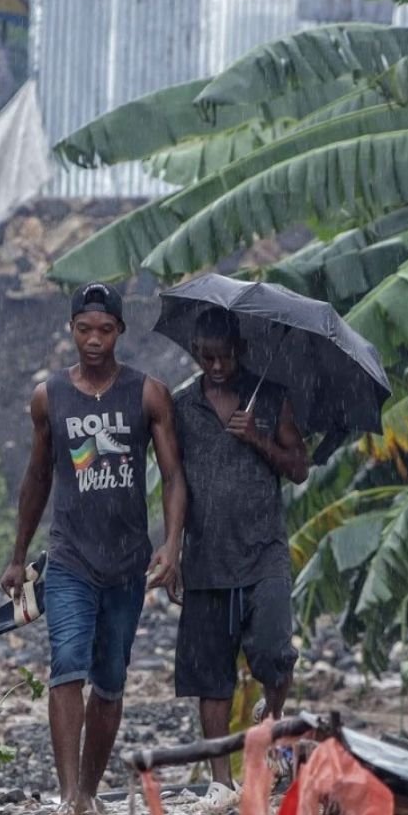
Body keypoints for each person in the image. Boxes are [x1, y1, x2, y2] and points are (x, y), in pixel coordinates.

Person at [0, 282, 187, 815]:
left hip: (127, 563)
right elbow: (37, 477)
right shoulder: (49, 396)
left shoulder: (147, 394)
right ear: (72, 330)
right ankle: (68, 797)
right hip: (69, 559)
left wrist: (171, 544)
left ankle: (89, 788)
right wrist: (17, 555)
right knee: (68, 666)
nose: (94, 340)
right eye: (85, 329)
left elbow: (174, 476)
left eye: (105, 329)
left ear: (120, 331)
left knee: (109, 682)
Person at [172, 307, 309, 786]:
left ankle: (271, 716)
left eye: (224, 358)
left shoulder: (269, 397)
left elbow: (299, 467)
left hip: (263, 551)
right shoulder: (182, 406)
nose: (215, 367)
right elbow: (173, 480)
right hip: (206, 556)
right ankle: (219, 781)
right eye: (206, 358)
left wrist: (257, 438)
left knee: (274, 652)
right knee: (210, 675)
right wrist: (171, 550)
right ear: (195, 354)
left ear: (241, 352)